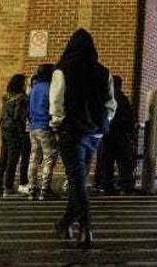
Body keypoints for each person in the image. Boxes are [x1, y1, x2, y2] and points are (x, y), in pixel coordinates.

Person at [50, 28, 117, 248]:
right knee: (79, 178)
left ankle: (86, 227)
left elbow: (57, 100)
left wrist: (57, 122)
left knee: (77, 181)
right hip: (94, 133)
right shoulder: (103, 72)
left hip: (72, 132)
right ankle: (65, 223)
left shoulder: (63, 70)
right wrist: (103, 122)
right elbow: (110, 103)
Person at [94, 75, 138, 195]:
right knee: (123, 162)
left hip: (105, 134)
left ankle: (105, 185)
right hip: (120, 134)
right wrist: (130, 132)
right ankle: (125, 186)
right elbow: (128, 118)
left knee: (106, 161)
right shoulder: (122, 99)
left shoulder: (103, 98)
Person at [0, 73, 28, 198]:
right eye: (25, 82)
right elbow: (19, 116)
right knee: (13, 158)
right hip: (15, 130)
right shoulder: (22, 98)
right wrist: (22, 129)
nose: (26, 85)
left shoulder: (6, 97)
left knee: (3, 157)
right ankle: (8, 187)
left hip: (5, 128)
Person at [28, 63, 59, 201]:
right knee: (49, 158)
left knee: (34, 158)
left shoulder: (34, 88)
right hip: (45, 126)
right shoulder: (50, 88)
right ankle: (45, 189)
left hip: (33, 127)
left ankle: (32, 189)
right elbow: (54, 107)